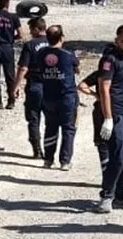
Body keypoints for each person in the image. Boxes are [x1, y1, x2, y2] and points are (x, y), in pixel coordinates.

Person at [95, 24, 123, 213]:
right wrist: (108, 118)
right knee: (118, 158)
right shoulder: (109, 59)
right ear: (117, 40)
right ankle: (107, 196)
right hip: (117, 115)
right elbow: (104, 87)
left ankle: (121, 195)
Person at [35, 25, 79, 170]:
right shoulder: (68, 54)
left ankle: (48, 159)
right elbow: (76, 68)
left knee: (50, 127)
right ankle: (65, 161)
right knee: (68, 128)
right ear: (62, 38)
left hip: (48, 95)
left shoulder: (41, 53)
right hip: (66, 96)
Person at [13, 17, 50, 158]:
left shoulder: (30, 45)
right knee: (50, 120)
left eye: (30, 29)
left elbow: (23, 68)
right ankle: (49, 149)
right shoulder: (53, 42)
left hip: (34, 85)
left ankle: (37, 149)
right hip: (51, 86)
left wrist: (15, 87)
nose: (30, 32)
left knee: (33, 118)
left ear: (36, 29)